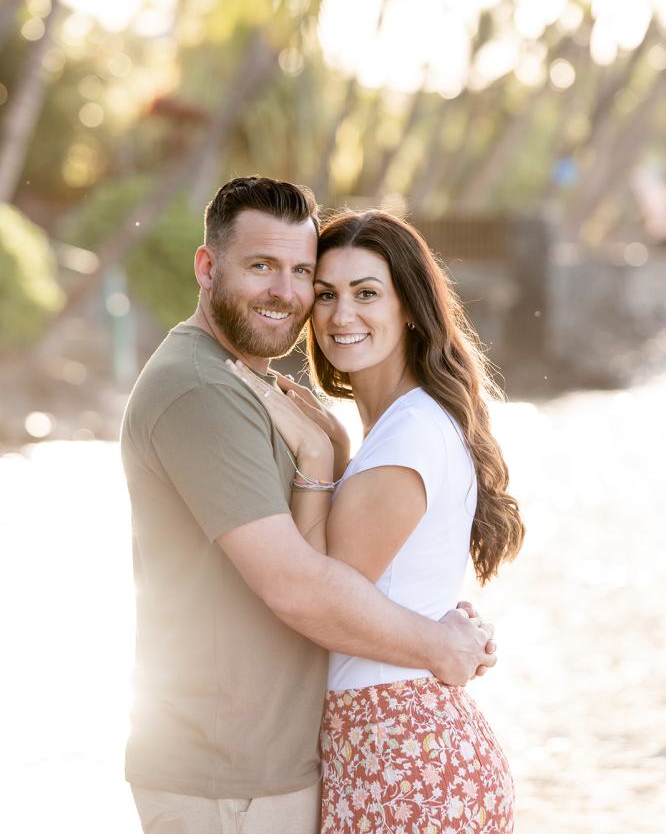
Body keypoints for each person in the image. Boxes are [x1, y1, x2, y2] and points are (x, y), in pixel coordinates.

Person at [120, 177, 497, 834]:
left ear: (410, 305)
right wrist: (438, 640)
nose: (289, 294)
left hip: (323, 763)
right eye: (262, 266)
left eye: (301, 272)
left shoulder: (279, 396)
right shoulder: (202, 389)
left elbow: (334, 579)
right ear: (207, 267)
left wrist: (329, 463)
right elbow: (303, 589)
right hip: (230, 777)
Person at [229, 207, 525, 832]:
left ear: (410, 307)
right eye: (326, 294)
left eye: (367, 294)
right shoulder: (402, 427)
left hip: (397, 751)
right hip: (402, 744)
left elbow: (321, 600)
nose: (342, 315)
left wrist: (315, 459)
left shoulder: (408, 435)